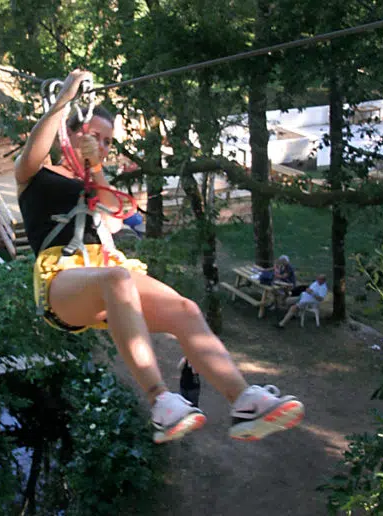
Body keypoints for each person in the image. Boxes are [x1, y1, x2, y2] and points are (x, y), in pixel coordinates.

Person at [16, 69, 305, 443]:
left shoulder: (94, 180)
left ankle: (244, 401)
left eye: (107, 142)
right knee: (117, 280)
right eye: (94, 137)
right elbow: (29, 157)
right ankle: (161, 401)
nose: (101, 146)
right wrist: (64, 102)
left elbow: (114, 211)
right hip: (62, 281)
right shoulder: (37, 174)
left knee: (185, 310)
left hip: (103, 270)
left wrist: (97, 167)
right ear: (71, 133)